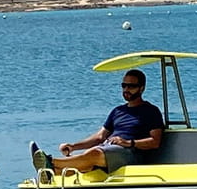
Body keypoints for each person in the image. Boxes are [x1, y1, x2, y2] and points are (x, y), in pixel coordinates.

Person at [30, 69, 164, 176]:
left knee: (93, 154)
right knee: (87, 162)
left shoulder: (151, 111)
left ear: (141, 88)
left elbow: (155, 141)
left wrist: (128, 143)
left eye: (131, 86)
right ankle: (52, 172)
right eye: (124, 85)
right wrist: (73, 146)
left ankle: (50, 162)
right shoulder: (117, 111)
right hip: (108, 148)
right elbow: (100, 137)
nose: (126, 90)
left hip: (130, 153)